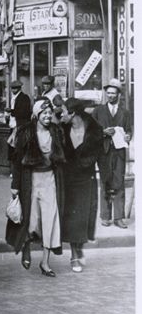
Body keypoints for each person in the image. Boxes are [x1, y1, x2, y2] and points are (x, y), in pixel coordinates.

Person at [6, 99, 66, 277]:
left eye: (49, 113)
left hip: (50, 180)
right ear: (36, 115)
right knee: (31, 221)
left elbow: (63, 156)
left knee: (51, 220)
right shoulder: (26, 133)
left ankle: (45, 262)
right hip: (30, 181)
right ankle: (26, 247)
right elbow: (17, 161)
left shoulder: (56, 132)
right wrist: (15, 185)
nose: (48, 116)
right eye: (44, 113)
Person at [60, 98, 103, 273]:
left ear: (73, 114)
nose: (60, 114)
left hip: (87, 178)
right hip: (68, 178)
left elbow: (99, 155)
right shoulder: (61, 130)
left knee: (84, 215)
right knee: (71, 216)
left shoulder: (94, 130)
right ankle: (74, 255)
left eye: (63, 111)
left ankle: (79, 247)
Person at [91, 78, 132, 229]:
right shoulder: (98, 111)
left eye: (113, 93)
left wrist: (128, 136)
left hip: (119, 151)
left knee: (119, 183)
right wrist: (102, 132)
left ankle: (119, 217)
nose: (111, 96)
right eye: (108, 93)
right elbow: (91, 131)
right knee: (105, 182)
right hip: (104, 151)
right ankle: (105, 216)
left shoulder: (125, 112)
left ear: (118, 94)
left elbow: (129, 130)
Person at [5, 80, 32, 168]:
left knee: (18, 148)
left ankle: (18, 167)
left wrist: (11, 111)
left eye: (15, 88)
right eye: (12, 88)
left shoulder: (24, 98)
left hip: (20, 126)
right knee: (12, 147)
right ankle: (14, 168)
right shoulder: (14, 98)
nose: (13, 90)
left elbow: (24, 112)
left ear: (19, 88)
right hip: (14, 125)